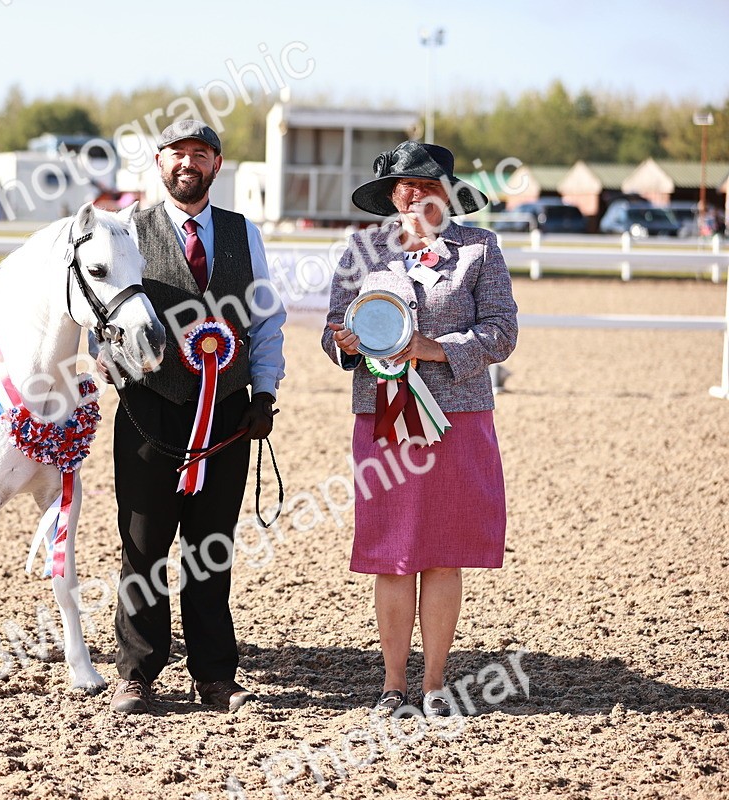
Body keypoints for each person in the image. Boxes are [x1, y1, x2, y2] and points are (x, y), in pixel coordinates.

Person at [321, 141, 517, 717]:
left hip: (457, 417)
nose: (412, 194)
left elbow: (502, 333)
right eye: (403, 185)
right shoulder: (361, 249)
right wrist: (345, 343)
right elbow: (335, 326)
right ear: (389, 194)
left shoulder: (480, 248)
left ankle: (433, 684)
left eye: (426, 184)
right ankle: (392, 684)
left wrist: (430, 349)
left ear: (449, 193)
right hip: (384, 414)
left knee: (443, 553)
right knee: (391, 553)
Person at [97, 119, 286, 714]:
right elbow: (104, 313)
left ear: (216, 165)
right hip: (151, 408)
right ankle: (138, 671)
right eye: (177, 154)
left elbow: (266, 319)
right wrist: (111, 363)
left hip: (228, 412)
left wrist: (263, 392)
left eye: (200, 154)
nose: (188, 163)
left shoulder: (243, 234)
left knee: (211, 546)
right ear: (159, 164)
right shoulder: (129, 229)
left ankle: (214, 675)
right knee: (144, 544)